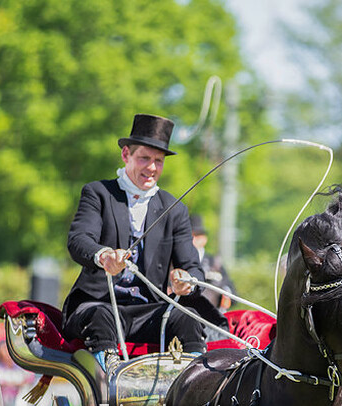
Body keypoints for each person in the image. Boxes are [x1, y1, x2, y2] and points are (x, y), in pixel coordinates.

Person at [63, 113, 222, 369]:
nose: (151, 168)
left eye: (158, 161)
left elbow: (194, 268)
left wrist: (186, 281)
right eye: (144, 158)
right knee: (102, 317)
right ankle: (110, 388)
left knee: (188, 317)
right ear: (126, 154)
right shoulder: (98, 193)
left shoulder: (175, 209)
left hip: (148, 311)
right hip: (99, 306)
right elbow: (79, 239)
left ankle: (195, 392)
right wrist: (103, 256)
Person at [190, 214, 235, 311]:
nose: (194, 239)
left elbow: (231, 289)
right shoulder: (173, 261)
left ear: (204, 238)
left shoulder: (215, 263)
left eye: (197, 235)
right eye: (190, 235)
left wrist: (227, 295)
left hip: (210, 315)